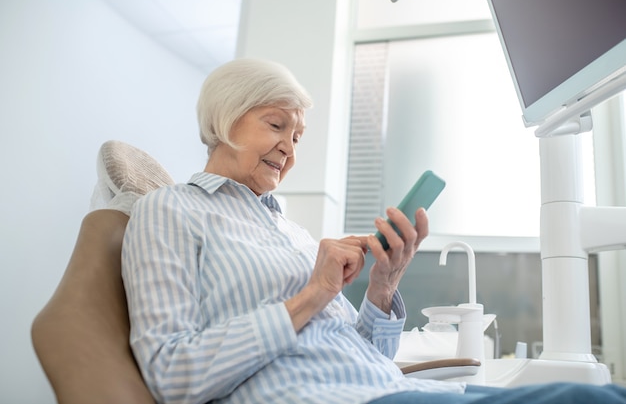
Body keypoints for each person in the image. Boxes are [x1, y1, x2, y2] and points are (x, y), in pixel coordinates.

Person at [120, 58, 626, 404]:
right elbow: (171, 374)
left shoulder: (289, 231)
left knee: (602, 392)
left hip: (382, 389)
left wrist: (383, 289)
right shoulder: (170, 210)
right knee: (587, 396)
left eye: (297, 136)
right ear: (224, 119)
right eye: (276, 126)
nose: (290, 149)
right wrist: (314, 295)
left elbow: (361, 356)